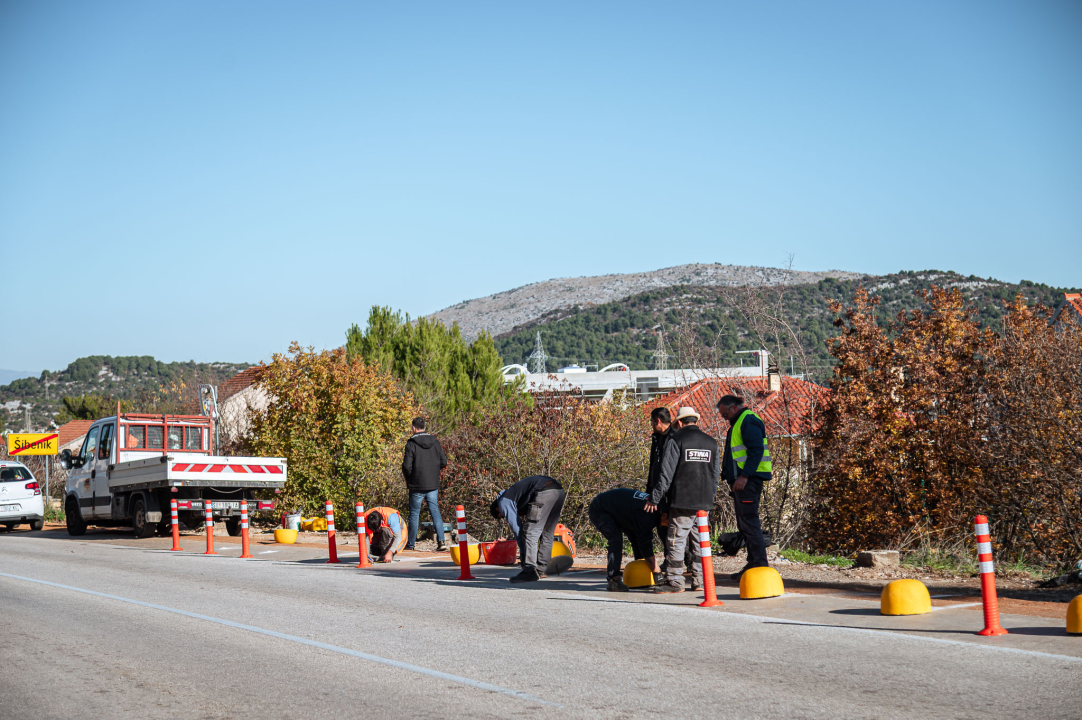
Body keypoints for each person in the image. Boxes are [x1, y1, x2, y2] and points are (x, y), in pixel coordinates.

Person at [645, 406, 720, 593]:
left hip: (682, 502)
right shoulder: (711, 443)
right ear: (696, 420)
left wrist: (654, 499)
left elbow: (666, 475)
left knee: (676, 542)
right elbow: (715, 476)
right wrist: (709, 499)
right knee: (699, 543)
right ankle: (699, 581)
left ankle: (675, 582)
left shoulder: (676, 440)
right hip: (704, 504)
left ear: (679, 422)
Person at [716, 394, 772, 580]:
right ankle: (753, 562)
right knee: (744, 523)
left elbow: (756, 450)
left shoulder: (747, 420)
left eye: (725, 415)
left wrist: (744, 476)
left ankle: (759, 564)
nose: (725, 419)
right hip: (741, 481)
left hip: (748, 480)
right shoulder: (740, 422)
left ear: (733, 408)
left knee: (749, 521)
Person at [489, 475, 566, 584]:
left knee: (530, 533)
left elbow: (517, 529)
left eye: (502, 515)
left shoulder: (503, 502)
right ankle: (541, 569)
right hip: (559, 491)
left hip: (544, 491)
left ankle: (529, 570)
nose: (505, 516)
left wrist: (524, 555)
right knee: (547, 532)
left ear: (498, 509)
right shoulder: (516, 495)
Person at [589, 488, 661, 592]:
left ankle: (640, 574)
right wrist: (656, 571)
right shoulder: (646, 513)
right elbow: (645, 543)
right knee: (616, 539)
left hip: (622, 511)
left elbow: (641, 540)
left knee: (636, 536)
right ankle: (613, 579)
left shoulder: (657, 511)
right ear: (664, 515)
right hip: (600, 509)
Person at [401, 417, 448, 551]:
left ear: (414, 428)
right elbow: (443, 462)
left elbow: (406, 466)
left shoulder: (411, 444)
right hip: (432, 484)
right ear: (425, 427)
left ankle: (411, 544)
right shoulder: (436, 443)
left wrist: (409, 478)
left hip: (416, 485)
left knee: (414, 514)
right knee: (435, 512)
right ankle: (441, 542)